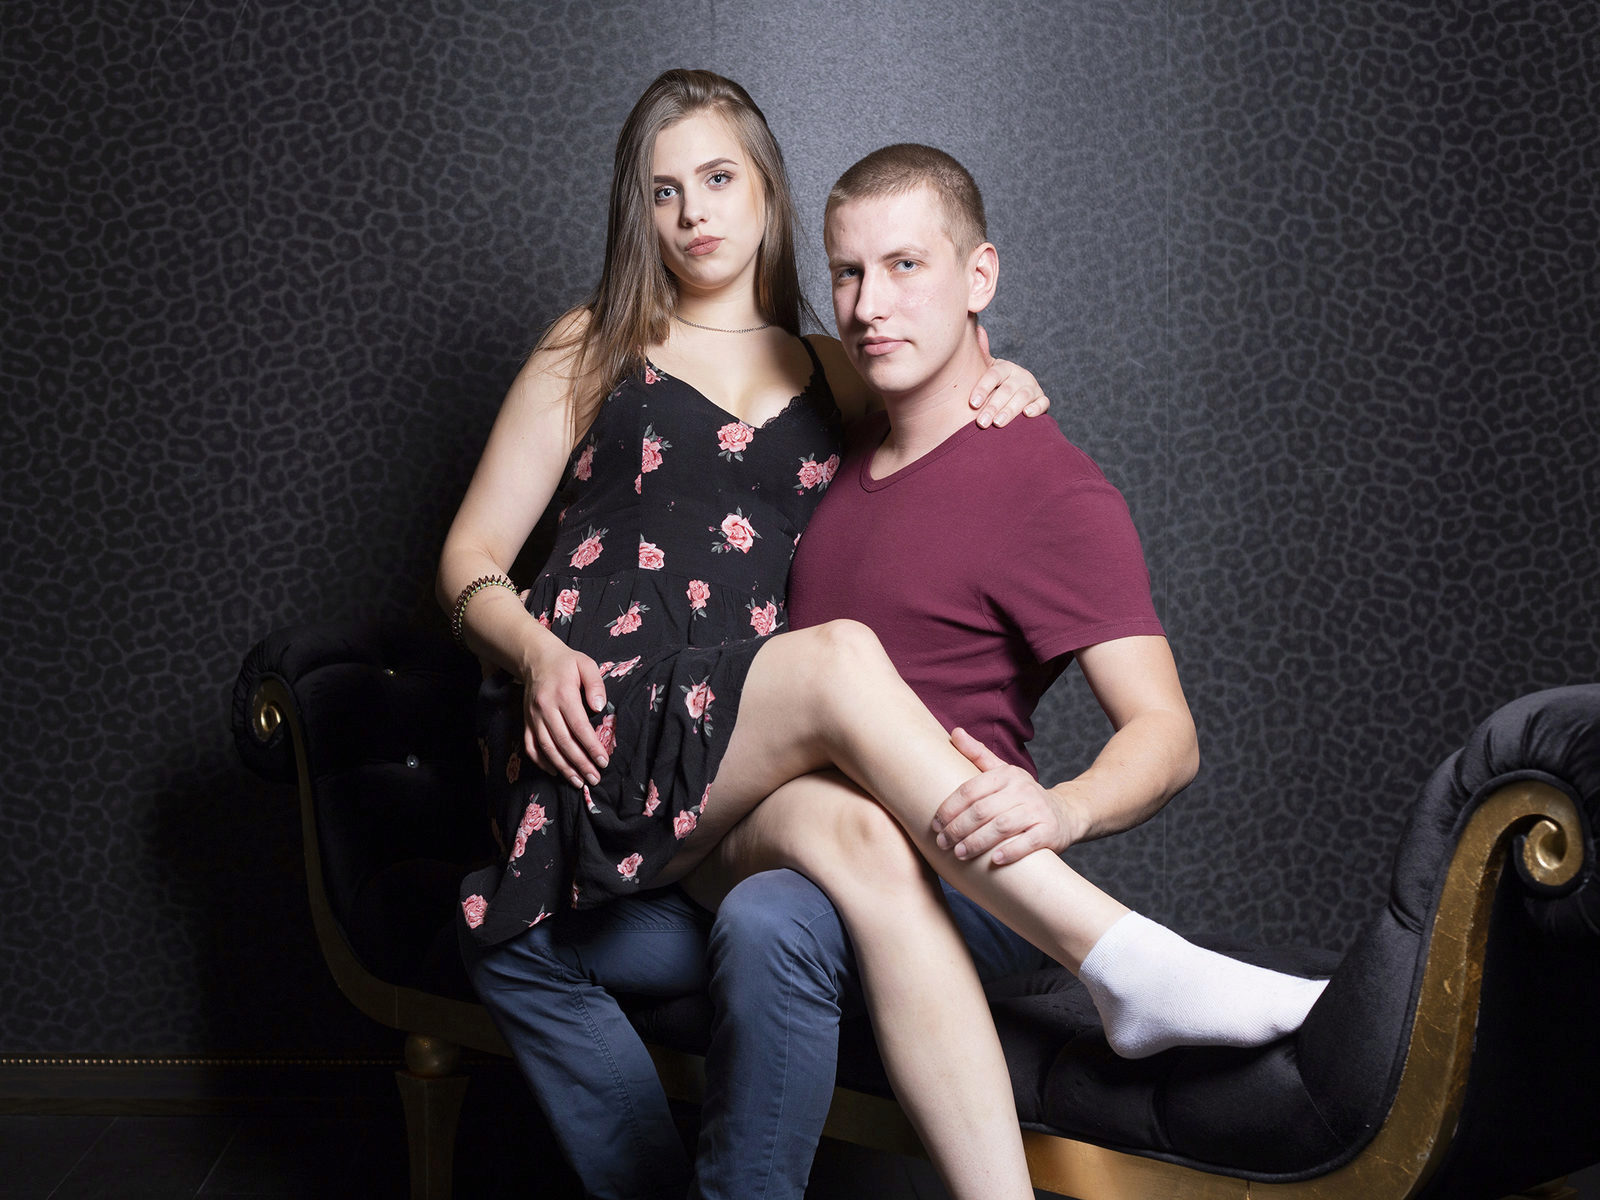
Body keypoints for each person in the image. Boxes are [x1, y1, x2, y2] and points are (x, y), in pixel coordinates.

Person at [444, 70, 1327, 1200]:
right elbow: (467, 557)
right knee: (840, 657)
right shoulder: (593, 343)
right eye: (663, 192)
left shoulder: (832, 373)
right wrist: (534, 655)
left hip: (732, 771)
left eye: (718, 178)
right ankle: (1123, 956)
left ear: (767, 188)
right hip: (591, 725)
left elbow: (939, 405)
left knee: (859, 834)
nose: (694, 212)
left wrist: (1002, 375)